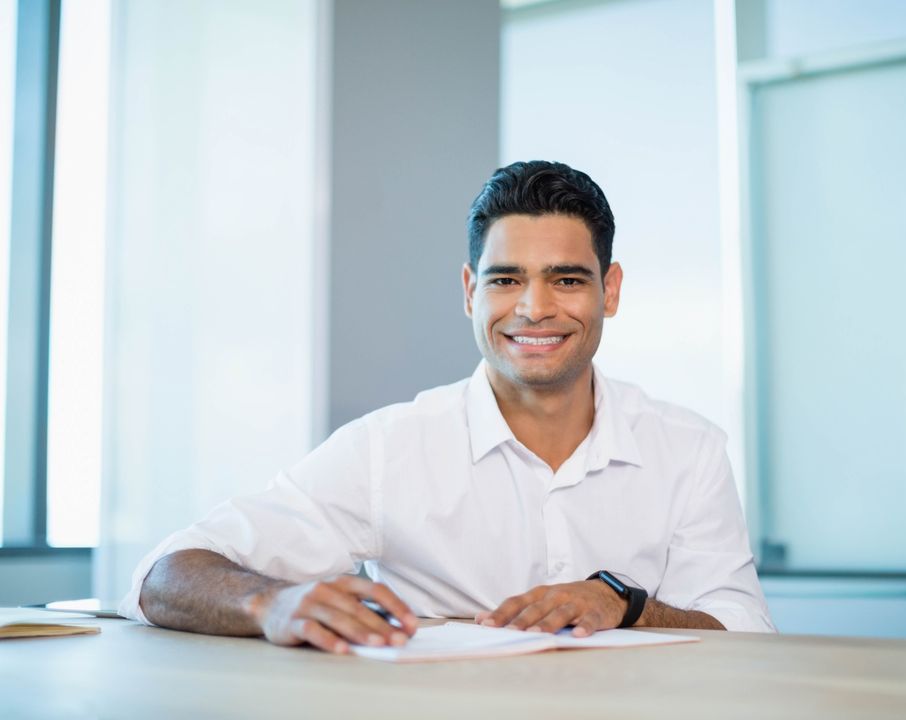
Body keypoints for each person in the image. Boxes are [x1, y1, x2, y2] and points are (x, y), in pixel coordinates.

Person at [122, 160, 775, 653]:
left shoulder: (688, 450)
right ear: (470, 292)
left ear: (611, 289)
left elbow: (746, 633)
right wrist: (271, 604)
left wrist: (625, 605)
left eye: (567, 279)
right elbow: (166, 574)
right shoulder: (389, 448)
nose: (534, 308)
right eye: (506, 279)